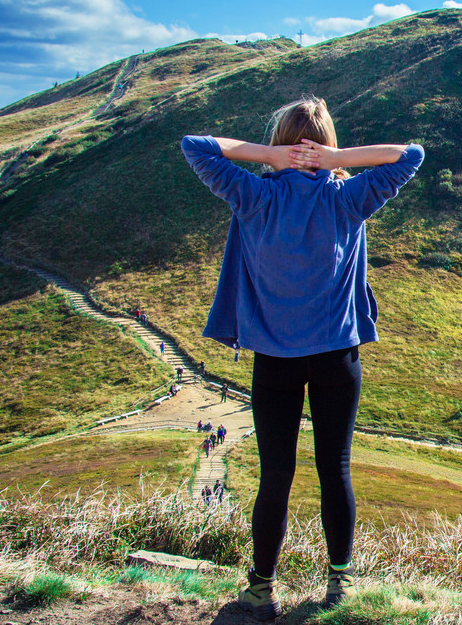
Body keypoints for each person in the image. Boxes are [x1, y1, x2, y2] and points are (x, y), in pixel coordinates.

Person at [181, 96, 423, 617]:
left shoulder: (253, 195)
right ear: (327, 145)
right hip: (337, 356)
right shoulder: (349, 198)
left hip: (274, 361)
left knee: (276, 476)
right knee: (334, 470)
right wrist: (336, 162)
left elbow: (196, 147)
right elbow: (411, 155)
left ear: (278, 143)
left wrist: (268, 158)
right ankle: (340, 585)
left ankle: (260, 588)